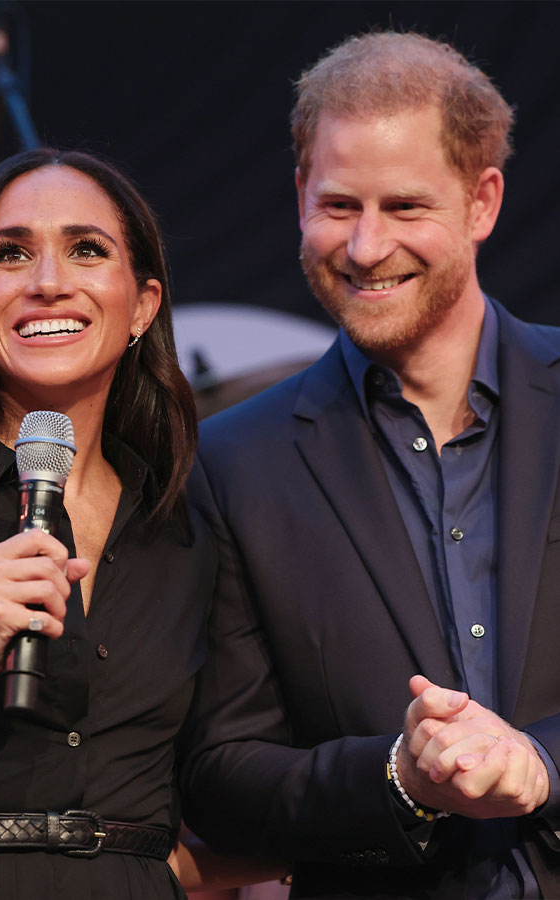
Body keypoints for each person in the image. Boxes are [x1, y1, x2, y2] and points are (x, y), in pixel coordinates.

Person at [180, 31, 560, 899]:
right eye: (340, 205)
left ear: (483, 202)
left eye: (406, 207)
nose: (364, 246)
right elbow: (220, 772)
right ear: (299, 200)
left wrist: (540, 763)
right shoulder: (234, 463)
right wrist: (398, 778)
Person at [0, 147, 218, 899]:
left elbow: (229, 780)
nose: (48, 282)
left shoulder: (189, 529)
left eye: (87, 250)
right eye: (10, 254)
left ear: (143, 305)